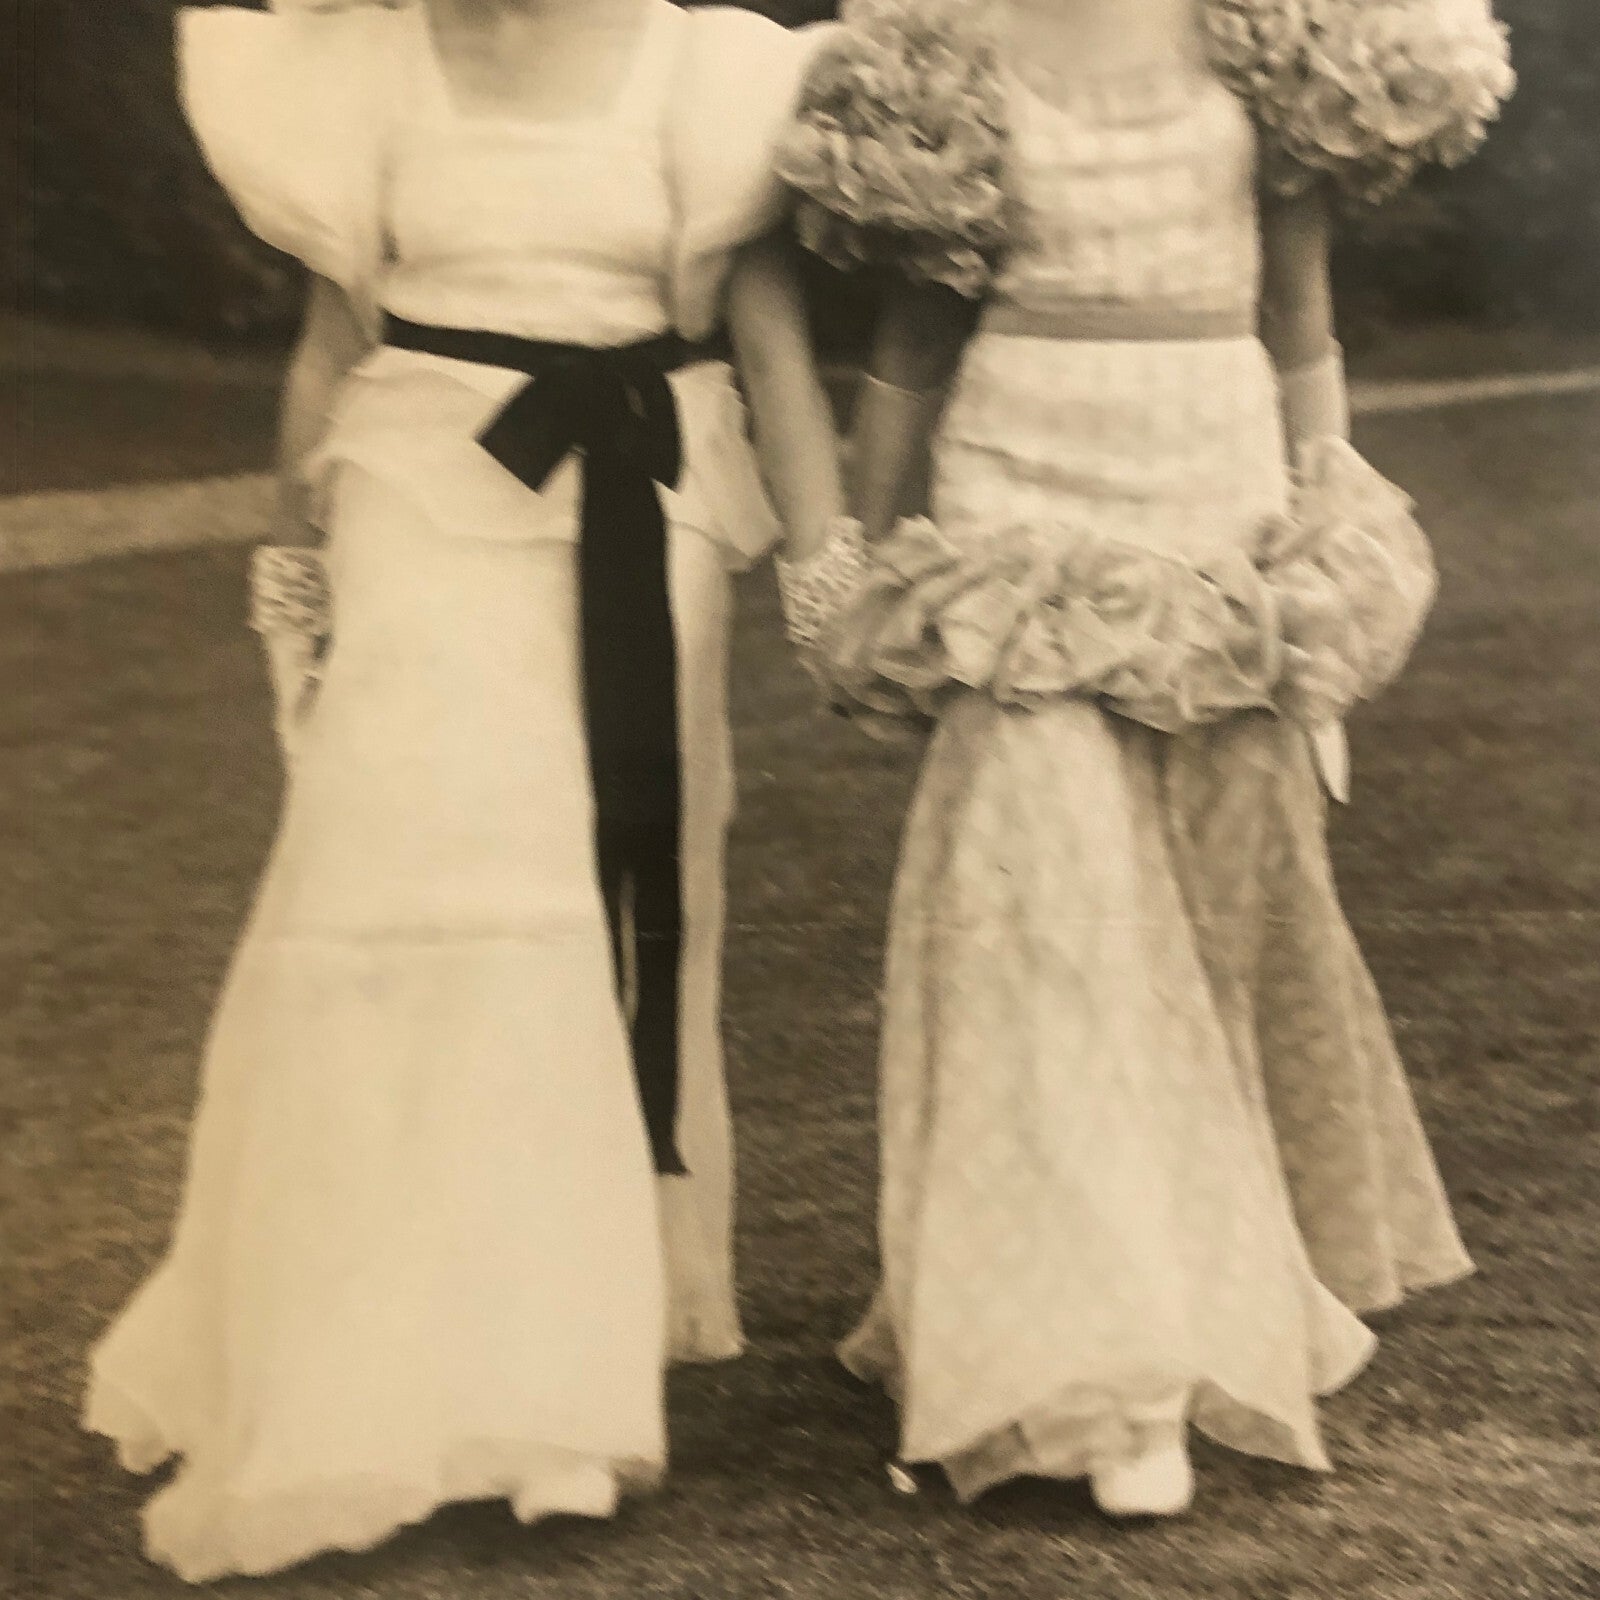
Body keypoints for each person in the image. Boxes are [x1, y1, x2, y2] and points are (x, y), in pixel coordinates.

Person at [81, 0, 843, 1579]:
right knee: (394, 923)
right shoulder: (358, 69)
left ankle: (548, 1389)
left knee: (591, 920)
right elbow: (329, 346)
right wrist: (292, 587)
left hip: (643, 517)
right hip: (420, 510)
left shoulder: (715, 76)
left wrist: (838, 594)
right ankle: (365, 1355)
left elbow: (771, 353)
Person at [775, 0, 1512, 1518]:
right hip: (1016, 503)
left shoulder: (1286, 34)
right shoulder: (936, 43)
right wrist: (858, 577)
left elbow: (1300, 325)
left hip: (1216, 502)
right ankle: (1098, 1376)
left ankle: (1184, 1299)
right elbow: (910, 354)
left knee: (1197, 930)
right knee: (1048, 927)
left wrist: (1331, 549)